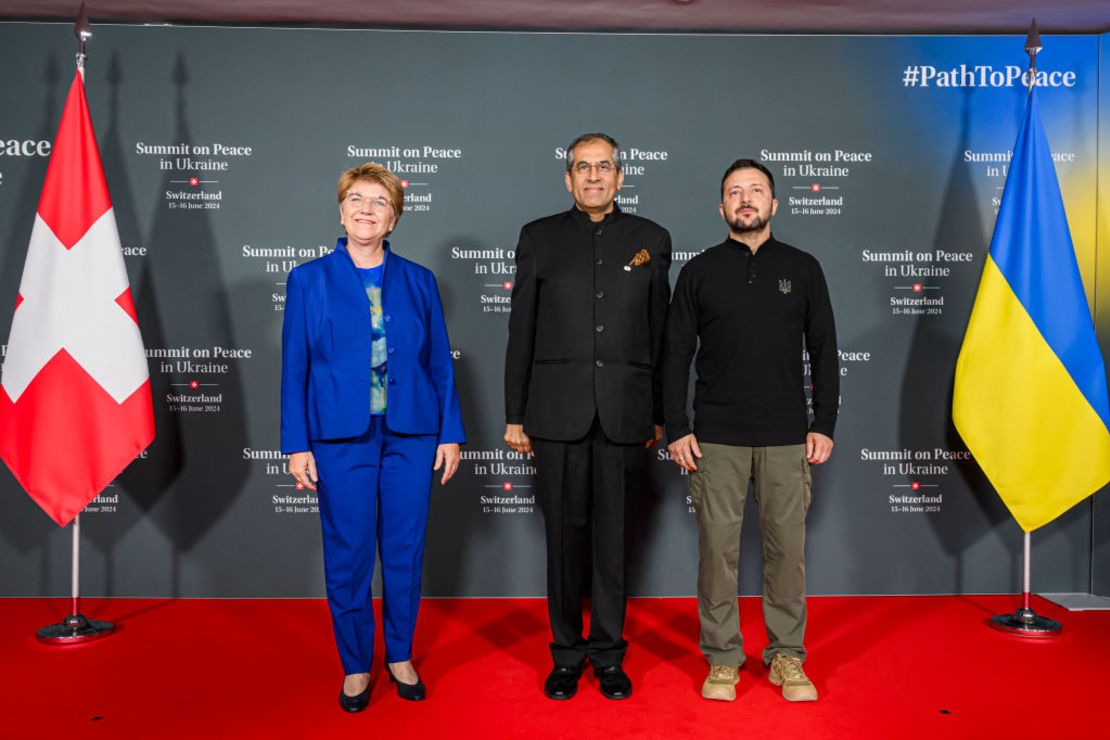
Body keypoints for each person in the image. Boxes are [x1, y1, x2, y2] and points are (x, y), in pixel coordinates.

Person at [281, 162, 465, 713]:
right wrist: (296, 444)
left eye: (378, 202)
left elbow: (439, 365)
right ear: (341, 211)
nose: (366, 209)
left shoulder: (418, 280)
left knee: (405, 551)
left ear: (393, 217)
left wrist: (449, 433)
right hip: (340, 439)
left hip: (411, 433)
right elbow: (294, 368)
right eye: (356, 199)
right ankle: (357, 665)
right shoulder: (308, 280)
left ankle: (401, 654)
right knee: (349, 552)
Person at [662, 158, 838, 703]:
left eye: (755, 191)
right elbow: (675, 355)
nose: (746, 199)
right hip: (716, 436)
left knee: (787, 551)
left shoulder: (804, 268)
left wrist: (824, 422)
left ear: (773, 204)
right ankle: (722, 658)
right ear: (721, 208)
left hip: (787, 436)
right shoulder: (699, 272)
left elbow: (825, 351)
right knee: (718, 552)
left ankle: (787, 656)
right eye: (735, 192)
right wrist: (676, 427)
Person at [504, 132, 672, 700]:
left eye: (604, 167)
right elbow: (520, 331)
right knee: (562, 542)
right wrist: (514, 413)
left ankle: (608, 655)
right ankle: (565, 655)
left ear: (621, 177)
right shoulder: (538, 238)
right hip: (554, 415)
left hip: (626, 414)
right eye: (583, 167)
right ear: (568, 179)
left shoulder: (651, 239)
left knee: (613, 540)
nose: (594, 176)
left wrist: (659, 414)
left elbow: (660, 336)